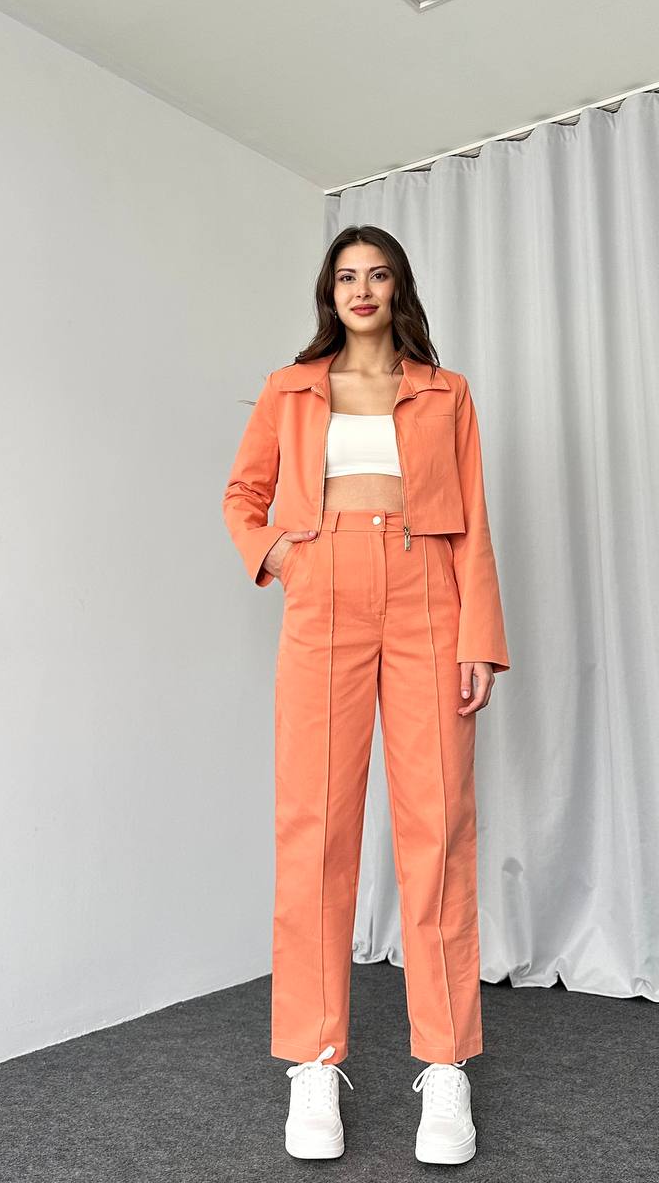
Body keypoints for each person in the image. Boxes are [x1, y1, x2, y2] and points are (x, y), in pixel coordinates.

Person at [221, 224, 510, 1165]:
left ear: (397, 289)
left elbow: (472, 520)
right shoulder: (289, 388)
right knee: (315, 826)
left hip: (426, 589)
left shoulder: (444, 392)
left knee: (437, 826)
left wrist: (478, 637)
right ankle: (313, 1064)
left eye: (377, 274)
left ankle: (445, 1066)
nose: (362, 289)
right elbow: (242, 496)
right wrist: (283, 556)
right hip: (324, 590)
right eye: (346, 275)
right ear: (329, 291)